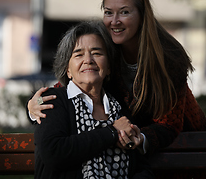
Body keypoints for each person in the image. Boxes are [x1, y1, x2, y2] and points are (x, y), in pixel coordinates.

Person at [29, 0, 206, 178]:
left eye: (124, 12)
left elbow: (169, 124)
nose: (114, 21)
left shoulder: (167, 57)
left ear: (142, 15)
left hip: (183, 147)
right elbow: (74, 83)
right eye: (109, 12)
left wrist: (139, 138)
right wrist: (34, 105)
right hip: (130, 147)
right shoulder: (106, 46)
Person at [34, 21, 154, 178]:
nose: (88, 60)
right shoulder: (53, 100)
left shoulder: (120, 109)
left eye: (97, 53)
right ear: (68, 70)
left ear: (109, 67)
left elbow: (141, 167)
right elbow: (53, 152)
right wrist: (111, 132)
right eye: (78, 54)